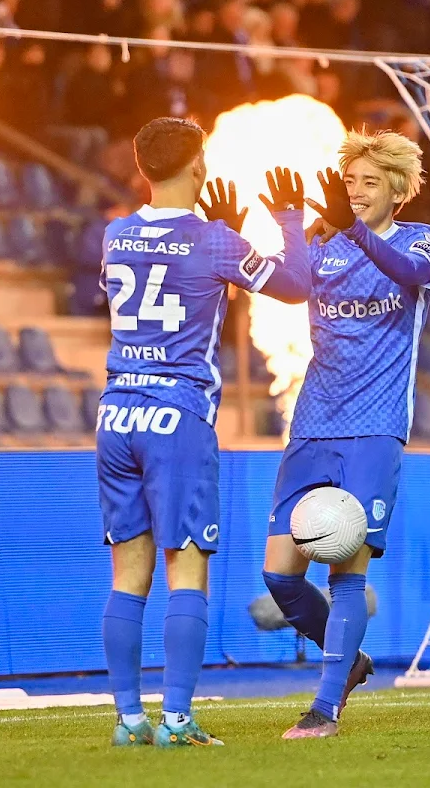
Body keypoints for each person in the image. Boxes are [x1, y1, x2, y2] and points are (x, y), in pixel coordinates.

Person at [98, 117, 311, 748]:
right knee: (185, 571)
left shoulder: (114, 234)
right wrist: (290, 221)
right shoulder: (213, 241)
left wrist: (224, 234)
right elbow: (295, 284)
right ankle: (178, 720)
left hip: (116, 414)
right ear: (199, 167)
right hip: (177, 417)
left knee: (125, 575)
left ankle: (130, 719)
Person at [261, 130, 430, 739]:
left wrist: (357, 230)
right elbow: (290, 286)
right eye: (350, 182)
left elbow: (406, 272)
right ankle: (351, 662)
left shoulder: (419, 242)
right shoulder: (325, 247)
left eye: (371, 182)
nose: (358, 192)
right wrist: (291, 222)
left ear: (398, 188)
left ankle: (325, 705)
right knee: (280, 575)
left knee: (346, 572)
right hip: (312, 426)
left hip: (374, 432)